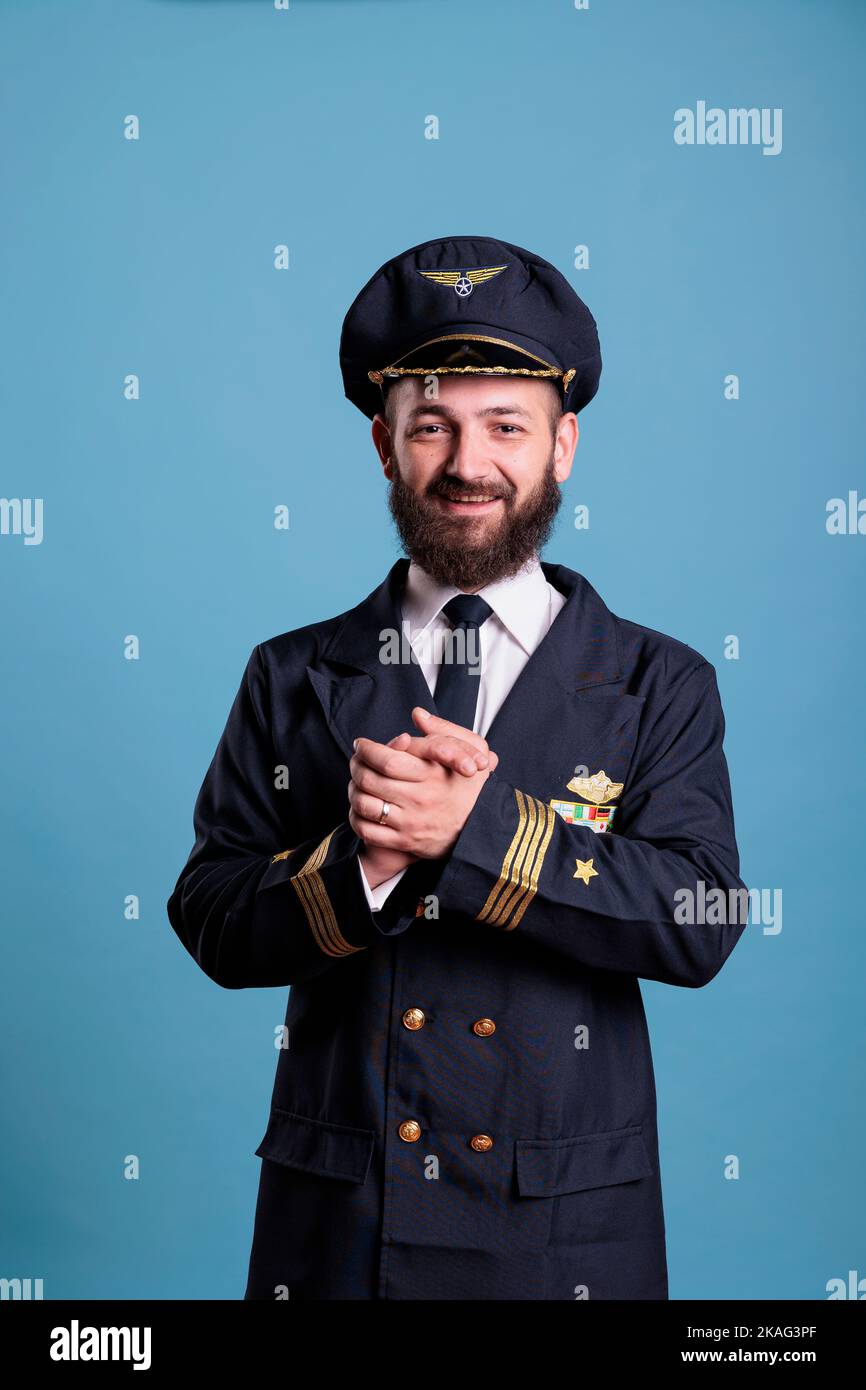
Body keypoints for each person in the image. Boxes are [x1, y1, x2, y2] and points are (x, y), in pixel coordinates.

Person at [167, 235, 747, 1301]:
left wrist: (477, 829)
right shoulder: (291, 673)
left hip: (561, 1232)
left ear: (561, 446)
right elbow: (209, 915)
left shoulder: (656, 680)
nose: (466, 462)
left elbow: (701, 917)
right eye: (429, 424)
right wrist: (367, 865)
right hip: (342, 1226)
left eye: (504, 426)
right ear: (384, 449)